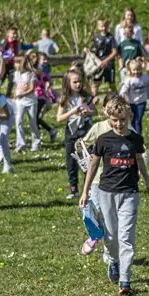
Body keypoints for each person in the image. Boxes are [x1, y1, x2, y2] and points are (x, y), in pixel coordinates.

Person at [78, 96, 149, 296]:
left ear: (129, 117)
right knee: (111, 237)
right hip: (107, 193)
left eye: (122, 120)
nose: (119, 124)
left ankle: (125, 280)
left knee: (126, 237)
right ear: (109, 118)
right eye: (115, 120)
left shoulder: (135, 139)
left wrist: (147, 180)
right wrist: (85, 191)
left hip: (130, 193)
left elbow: (139, 159)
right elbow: (93, 165)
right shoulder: (103, 140)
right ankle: (113, 261)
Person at [57, 69, 95, 199]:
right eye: (74, 82)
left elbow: (94, 112)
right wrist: (73, 111)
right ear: (68, 83)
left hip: (85, 131)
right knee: (71, 161)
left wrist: (87, 112)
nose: (78, 84)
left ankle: (88, 188)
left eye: (79, 81)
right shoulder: (65, 98)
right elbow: (59, 118)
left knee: (87, 159)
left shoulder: (86, 97)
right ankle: (74, 189)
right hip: (71, 132)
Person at [118, 59, 149, 135]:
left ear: (141, 69)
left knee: (138, 119)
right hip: (131, 103)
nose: (136, 72)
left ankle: (138, 135)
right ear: (130, 70)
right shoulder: (129, 80)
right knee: (133, 120)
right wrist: (121, 98)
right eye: (134, 70)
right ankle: (133, 134)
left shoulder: (145, 78)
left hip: (141, 102)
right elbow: (123, 91)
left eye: (138, 70)